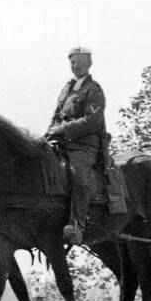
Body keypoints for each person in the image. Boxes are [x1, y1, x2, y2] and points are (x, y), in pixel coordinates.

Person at [45, 46, 106, 245]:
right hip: (61, 142)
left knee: (77, 174)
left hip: (85, 145)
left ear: (89, 63)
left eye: (79, 61)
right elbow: (56, 116)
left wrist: (62, 129)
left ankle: (77, 226)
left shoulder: (93, 89)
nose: (75, 66)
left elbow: (92, 121)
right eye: (72, 62)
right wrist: (49, 133)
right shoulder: (67, 88)